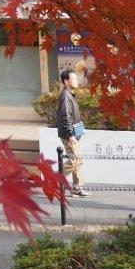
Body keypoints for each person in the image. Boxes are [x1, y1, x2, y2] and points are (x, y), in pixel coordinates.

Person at [56, 68, 87, 197]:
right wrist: (71, 135)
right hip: (70, 134)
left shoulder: (70, 94)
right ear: (66, 81)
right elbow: (65, 116)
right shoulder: (66, 96)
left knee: (78, 160)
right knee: (75, 160)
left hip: (74, 133)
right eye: (73, 79)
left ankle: (77, 188)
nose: (77, 81)